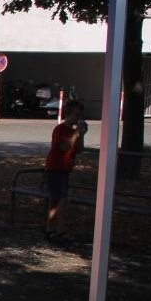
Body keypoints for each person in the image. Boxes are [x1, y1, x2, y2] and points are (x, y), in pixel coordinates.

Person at [44, 100, 87, 243]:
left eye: (80, 115)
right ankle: (59, 230)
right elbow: (64, 147)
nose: (78, 118)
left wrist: (82, 135)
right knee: (61, 199)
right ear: (68, 114)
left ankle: (52, 229)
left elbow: (79, 150)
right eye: (76, 115)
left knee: (57, 199)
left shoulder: (73, 131)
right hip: (55, 167)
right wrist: (76, 133)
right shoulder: (60, 129)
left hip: (65, 169)